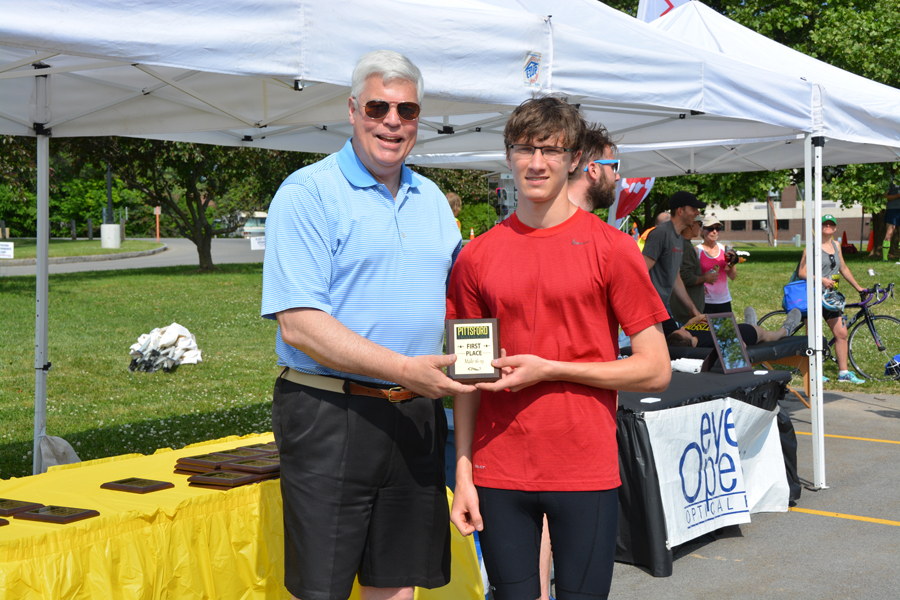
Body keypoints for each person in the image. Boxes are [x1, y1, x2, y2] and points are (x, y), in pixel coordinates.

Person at [261, 50, 476, 600]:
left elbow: (465, 301)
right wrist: (404, 368)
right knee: (323, 587)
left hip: (416, 413)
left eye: (407, 110)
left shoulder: (432, 199)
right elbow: (300, 325)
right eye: (378, 107)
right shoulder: (308, 192)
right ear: (353, 110)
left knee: (397, 583)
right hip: (330, 412)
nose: (392, 122)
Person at [447, 95, 670, 600]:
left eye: (551, 150)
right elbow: (468, 376)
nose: (537, 162)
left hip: (584, 467)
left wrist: (552, 369)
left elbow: (655, 369)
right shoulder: (476, 258)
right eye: (524, 149)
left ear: (575, 160)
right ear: (508, 156)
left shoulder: (612, 248)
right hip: (499, 469)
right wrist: (463, 472)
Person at [796, 214, 867, 384]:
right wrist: (821, 279)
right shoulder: (812, 247)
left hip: (830, 297)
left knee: (841, 334)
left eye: (831, 224)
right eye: (824, 224)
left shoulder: (836, 245)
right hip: (812, 295)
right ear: (819, 227)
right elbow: (802, 273)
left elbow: (843, 268)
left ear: (835, 228)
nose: (827, 226)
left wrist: (858, 287)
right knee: (814, 335)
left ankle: (844, 373)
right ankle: (814, 372)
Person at [643, 191, 706, 334]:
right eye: (693, 209)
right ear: (680, 211)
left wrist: (692, 308)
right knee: (679, 340)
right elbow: (641, 271)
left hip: (661, 308)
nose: (697, 213)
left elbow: (676, 277)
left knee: (678, 341)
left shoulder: (679, 239)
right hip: (649, 309)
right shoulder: (660, 233)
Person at [666, 309, 803, 348]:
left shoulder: (689, 334)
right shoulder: (708, 343)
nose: (683, 328)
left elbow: (686, 326)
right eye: (683, 331)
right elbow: (741, 346)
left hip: (734, 328)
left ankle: (750, 322)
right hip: (746, 334)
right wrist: (726, 332)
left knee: (749, 325)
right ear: (687, 340)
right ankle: (786, 329)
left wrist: (698, 319)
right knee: (770, 335)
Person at [567, 123, 620, 212]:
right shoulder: (594, 223)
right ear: (593, 170)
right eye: (613, 167)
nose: (617, 177)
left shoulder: (544, 215)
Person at [671, 215, 712, 325]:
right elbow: (685, 278)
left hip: (685, 311)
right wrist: (705, 278)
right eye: (700, 224)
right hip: (687, 314)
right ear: (692, 225)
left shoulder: (682, 243)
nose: (700, 228)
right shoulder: (686, 246)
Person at [698, 216, 738, 314]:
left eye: (718, 228)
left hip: (724, 300)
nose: (715, 231)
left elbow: (732, 277)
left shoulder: (725, 249)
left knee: (726, 325)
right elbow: (690, 276)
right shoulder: (697, 251)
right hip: (705, 301)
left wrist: (732, 262)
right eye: (710, 228)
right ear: (702, 231)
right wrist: (699, 285)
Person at [883, 167, 900, 261]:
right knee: (890, 232)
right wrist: (898, 195)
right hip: (892, 209)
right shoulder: (891, 179)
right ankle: (885, 258)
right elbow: (885, 197)